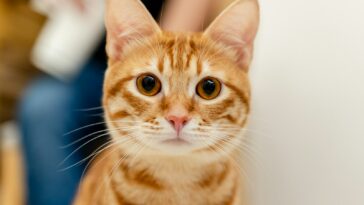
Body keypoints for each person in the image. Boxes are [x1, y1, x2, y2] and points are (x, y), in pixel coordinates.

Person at [18, 0, 231, 204]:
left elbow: (171, 63)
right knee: (41, 107)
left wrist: (150, 76)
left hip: (152, 62)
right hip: (86, 63)